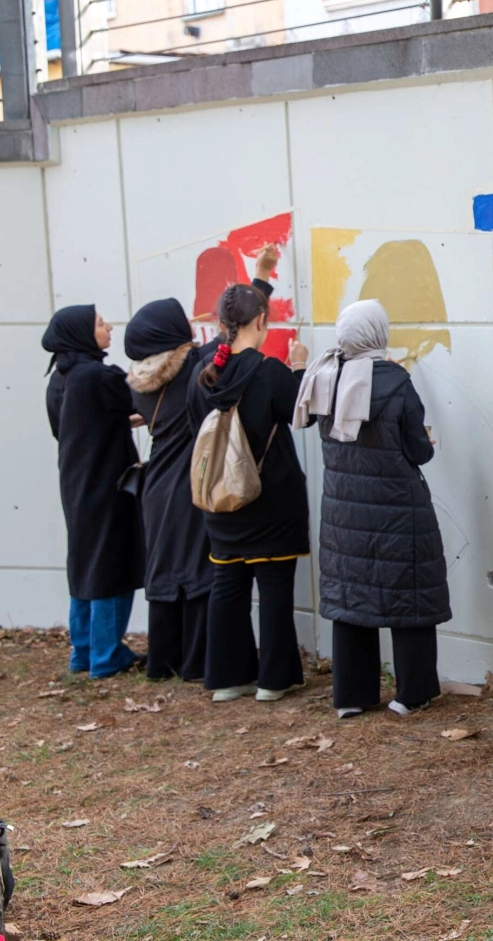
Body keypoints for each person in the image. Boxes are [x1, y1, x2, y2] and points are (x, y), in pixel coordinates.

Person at [294, 300, 451, 718]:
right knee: (409, 594)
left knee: (351, 596)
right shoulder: (395, 381)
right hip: (398, 511)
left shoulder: (325, 376)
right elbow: (417, 448)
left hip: (344, 516)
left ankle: (352, 696)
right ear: (379, 334)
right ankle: (412, 694)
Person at [187, 282, 310, 704]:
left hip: (219, 501)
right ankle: (273, 680)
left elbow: (197, 434)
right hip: (269, 501)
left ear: (222, 324)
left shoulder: (202, 376)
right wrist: (298, 368)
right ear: (262, 320)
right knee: (274, 588)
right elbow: (303, 414)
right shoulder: (269, 371)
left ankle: (227, 677)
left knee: (227, 584)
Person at [43, 304, 144, 679]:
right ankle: (106, 655)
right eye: (101, 323)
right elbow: (138, 400)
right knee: (112, 563)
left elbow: (78, 425)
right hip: (109, 484)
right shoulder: (97, 376)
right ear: (82, 333)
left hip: (76, 482)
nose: (109, 327)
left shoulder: (61, 378)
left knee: (84, 562)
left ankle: (83, 652)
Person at [125, 297, 209, 682]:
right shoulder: (192, 368)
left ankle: (162, 662)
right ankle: (194, 663)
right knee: (196, 570)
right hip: (186, 483)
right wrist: (260, 278)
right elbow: (232, 338)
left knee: (162, 573)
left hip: (155, 488)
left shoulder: (139, 384)